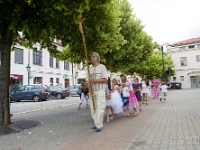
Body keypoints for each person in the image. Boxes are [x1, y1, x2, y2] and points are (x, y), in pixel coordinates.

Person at [86, 52, 108, 132]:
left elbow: (105, 80)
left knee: (100, 107)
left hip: (100, 91)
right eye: (91, 57)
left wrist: (94, 80)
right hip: (93, 91)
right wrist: (90, 91)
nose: (92, 58)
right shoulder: (89, 69)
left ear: (97, 58)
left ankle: (99, 125)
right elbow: (88, 81)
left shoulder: (102, 67)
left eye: (94, 56)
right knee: (93, 109)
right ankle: (96, 123)